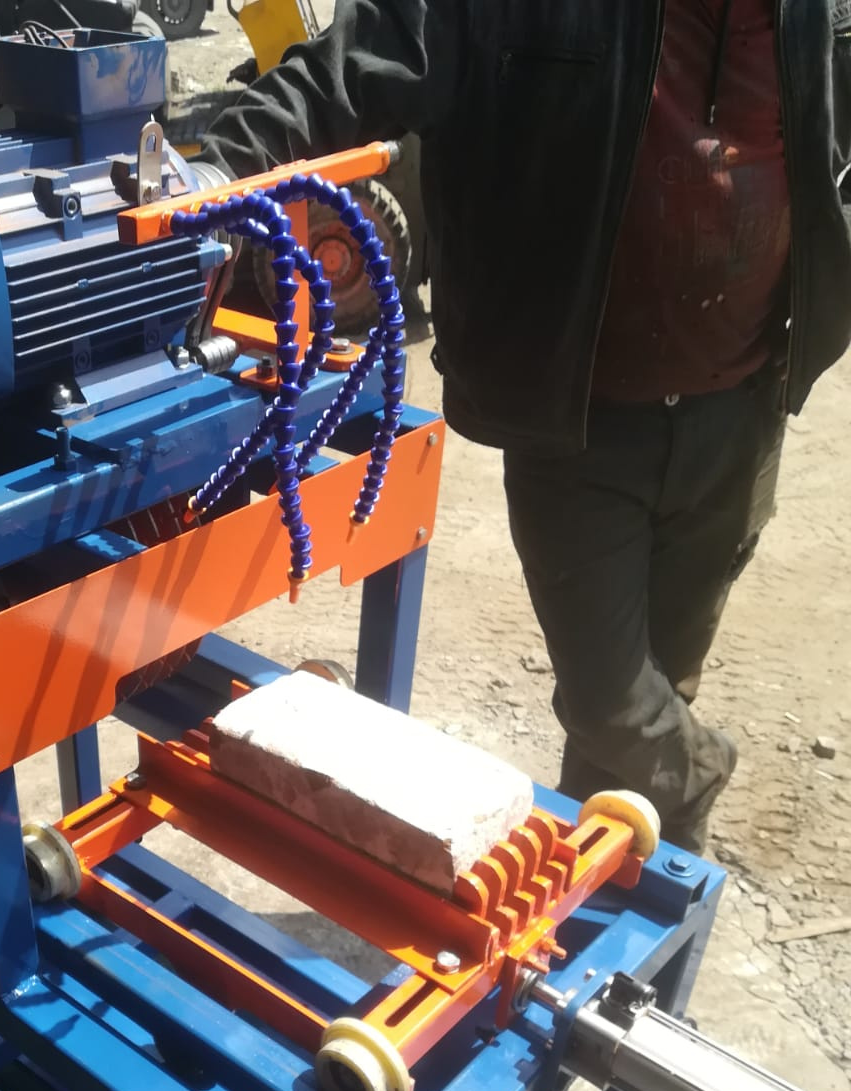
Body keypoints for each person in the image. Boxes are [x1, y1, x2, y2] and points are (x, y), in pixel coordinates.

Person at [202, 0, 851, 851]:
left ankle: (632, 897)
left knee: (659, 692)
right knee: (612, 702)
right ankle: (693, 778)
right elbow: (352, 66)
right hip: (580, 419)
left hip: (743, 407)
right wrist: (205, 170)